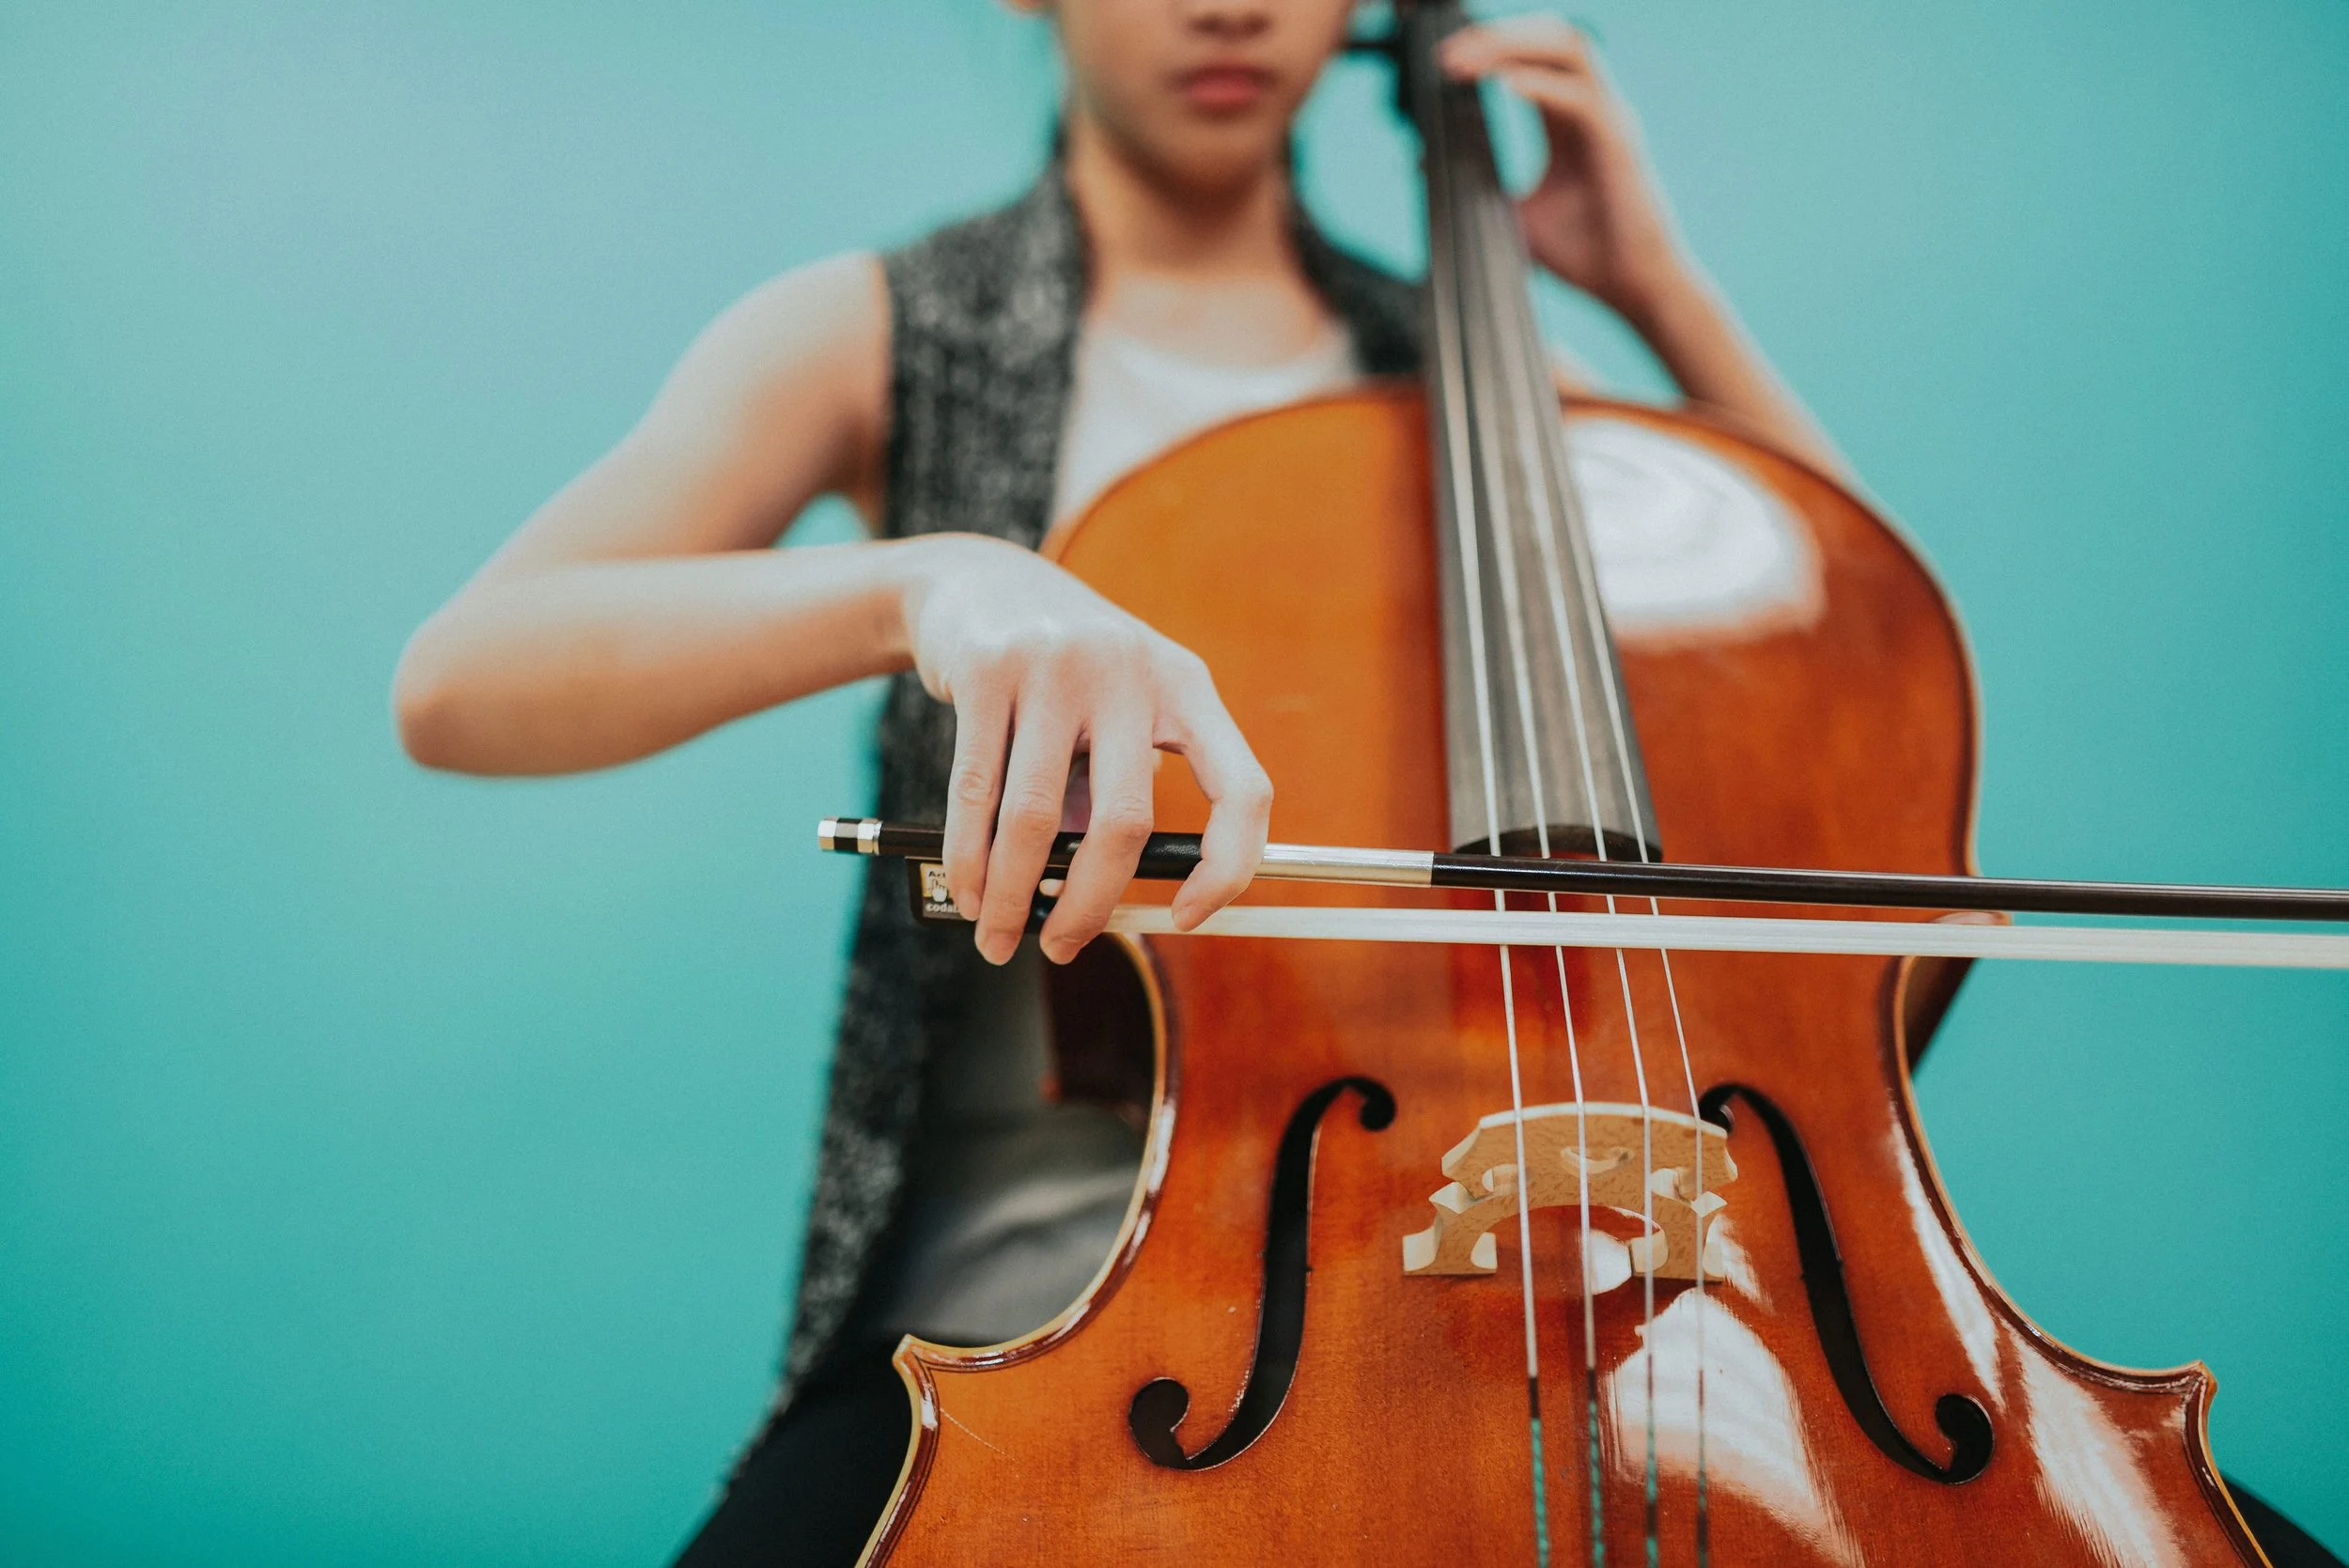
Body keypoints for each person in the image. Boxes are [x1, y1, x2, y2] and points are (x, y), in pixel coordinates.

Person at [393, 3, 2340, 1565]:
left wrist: (1649, 287)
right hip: (1077, 1270)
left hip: (1604, 1243)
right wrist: (933, 578)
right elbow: (466, 683)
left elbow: (1844, 664)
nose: (1230, 5)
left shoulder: (1473, 376)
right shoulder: (893, 332)